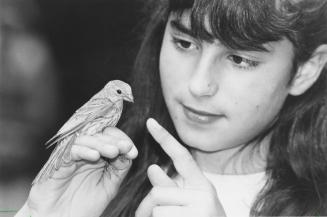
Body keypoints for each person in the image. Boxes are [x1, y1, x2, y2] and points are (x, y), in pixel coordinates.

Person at [15, 0, 327, 216]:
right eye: (185, 43)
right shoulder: (104, 171)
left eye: (239, 59)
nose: (198, 85)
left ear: (306, 70)